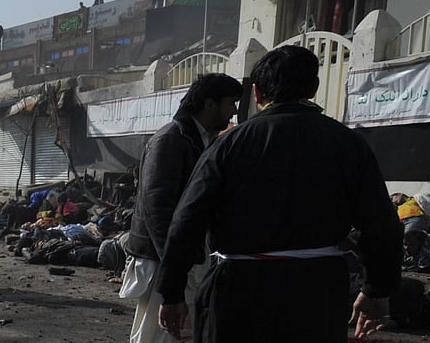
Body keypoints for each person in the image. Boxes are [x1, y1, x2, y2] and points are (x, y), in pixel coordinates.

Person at [156, 45, 404, 342]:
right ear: (313, 88)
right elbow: (382, 225)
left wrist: (172, 292)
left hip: (238, 291)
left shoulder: (229, 145)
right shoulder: (348, 144)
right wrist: (376, 289)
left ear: (258, 94)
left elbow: (187, 221)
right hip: (317, 293)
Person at [120, 73, 243, 343]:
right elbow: (158, 209)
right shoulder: (171, 139)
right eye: (230, 103)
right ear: (209, 104)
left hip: (183, 259)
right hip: (165, 259)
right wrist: (173, 270)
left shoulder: (203, 141)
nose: (234, 110)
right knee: (162, 336)